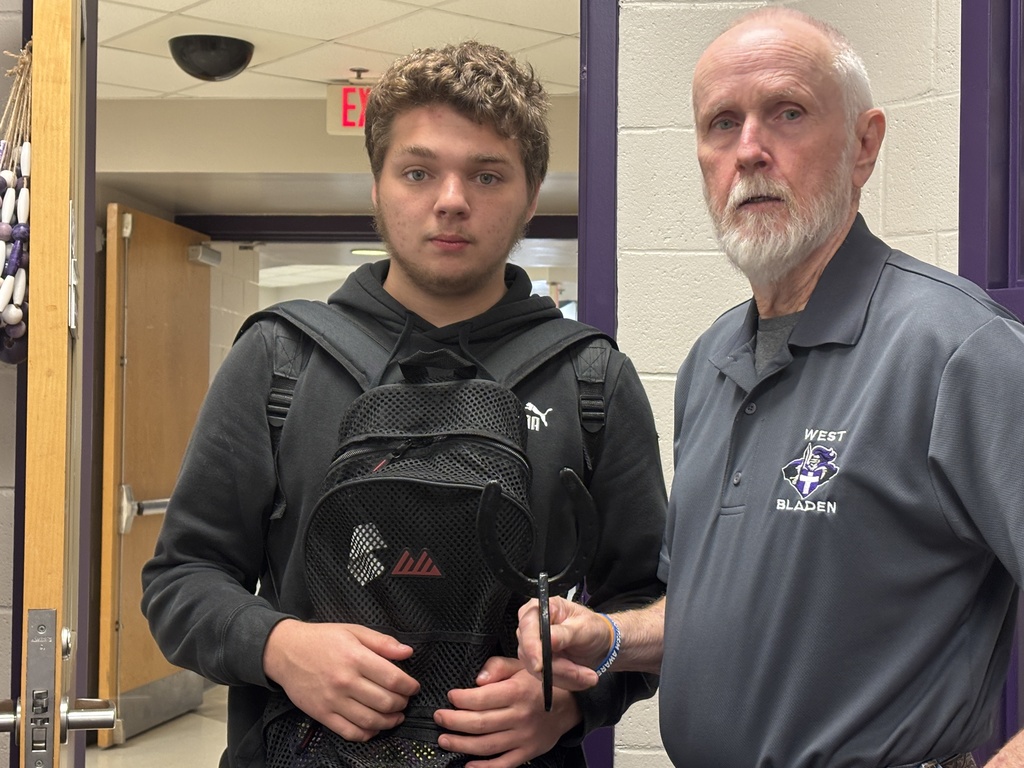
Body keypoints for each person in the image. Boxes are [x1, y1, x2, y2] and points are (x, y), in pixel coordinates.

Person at [517, 8, 1024, 768]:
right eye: (722, 123)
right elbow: (727, 615)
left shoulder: (959, 352)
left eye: (788, 113)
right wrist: (614, 637)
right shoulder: (711, 361)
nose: (750, 150)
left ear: (864, 144)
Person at [140, 40, 665, 768]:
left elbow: (647, 608)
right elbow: (181, 580)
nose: (451, 200)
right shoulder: (278, 359)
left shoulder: (592, 380)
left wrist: (570, 706)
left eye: (487, 174)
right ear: (378, 184)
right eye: (419, 171)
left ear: (530, 193)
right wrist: (280, 646)